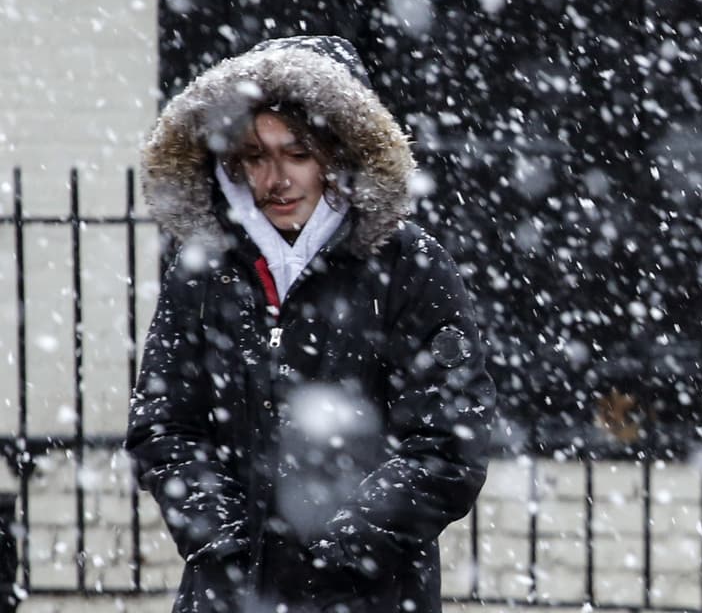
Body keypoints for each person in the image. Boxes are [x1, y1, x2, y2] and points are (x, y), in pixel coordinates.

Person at [127, 36, 494, 613]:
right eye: (255, 156)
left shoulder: (408, 265)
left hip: (369, 598)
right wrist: (222, 541)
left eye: (297, 153)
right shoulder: (203, 270)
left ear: (339, 155)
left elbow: (450, 442)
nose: (276, 178)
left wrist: (343, 550)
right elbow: (163, 426)